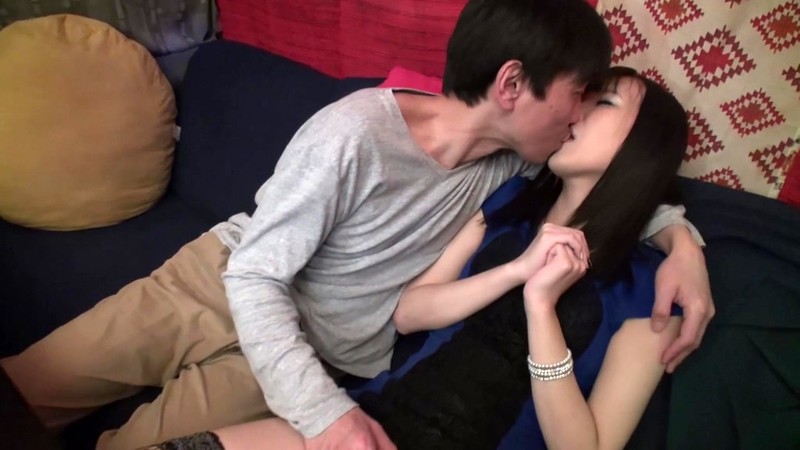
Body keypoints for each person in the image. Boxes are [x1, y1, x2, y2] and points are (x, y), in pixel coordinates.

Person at [1, 1, 713, 449]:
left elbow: (616, 187)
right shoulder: (356, 132)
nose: (577, 114)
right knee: (30, 388)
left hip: (310, 352)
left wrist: (684, 243)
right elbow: (255, 275)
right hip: (220, 281)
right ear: (510, 85)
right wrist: (325, 416)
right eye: (578, 95)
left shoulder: (516, 168)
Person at [157, 65, 693, 450]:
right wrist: (515, 270)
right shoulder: (510, 198)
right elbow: (409, 311)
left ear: (643, 147)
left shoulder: (654, 292)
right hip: (374, 416)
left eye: (603, 103)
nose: (576, 111)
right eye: (580, 97)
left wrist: (540, 306)